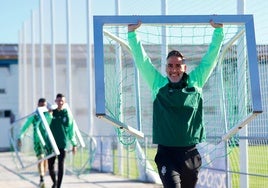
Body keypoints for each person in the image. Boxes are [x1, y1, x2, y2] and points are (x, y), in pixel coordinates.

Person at [127, 20, 224, 188]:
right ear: (165, 68)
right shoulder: (158, 85)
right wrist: (132, 34)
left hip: (190, 153)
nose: (174, 69)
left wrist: (218, 33)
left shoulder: (196, 82)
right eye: (170, 65)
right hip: (166, 153)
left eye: (178, 65)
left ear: (184, 67)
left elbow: (210, 60)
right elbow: (142, 61)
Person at [18, 98, 52, 188]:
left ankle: (43, 175)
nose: (42, 107)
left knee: (46, 161)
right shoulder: (34, 116)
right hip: (38, 141)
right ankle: (41, 178)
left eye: (44, 105)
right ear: (38, 105)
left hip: (48, 141)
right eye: (40, 105)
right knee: (40, 159)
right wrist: (20, 137)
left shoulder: (48, 115)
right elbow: (25, 126)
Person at [48, 93, 77, 188]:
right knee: (50, 166)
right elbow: (45, 124)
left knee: (61, 165)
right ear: (55, 101)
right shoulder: (52, 113)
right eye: (58, 100)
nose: (60, 102)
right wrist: (49, 114)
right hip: (51, 144)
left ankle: (58, 186)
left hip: (62, 144)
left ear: (64, 102)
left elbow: (71, 129)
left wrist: (74, 144)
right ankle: (55, 182)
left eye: (62, 101)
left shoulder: (66, 113)